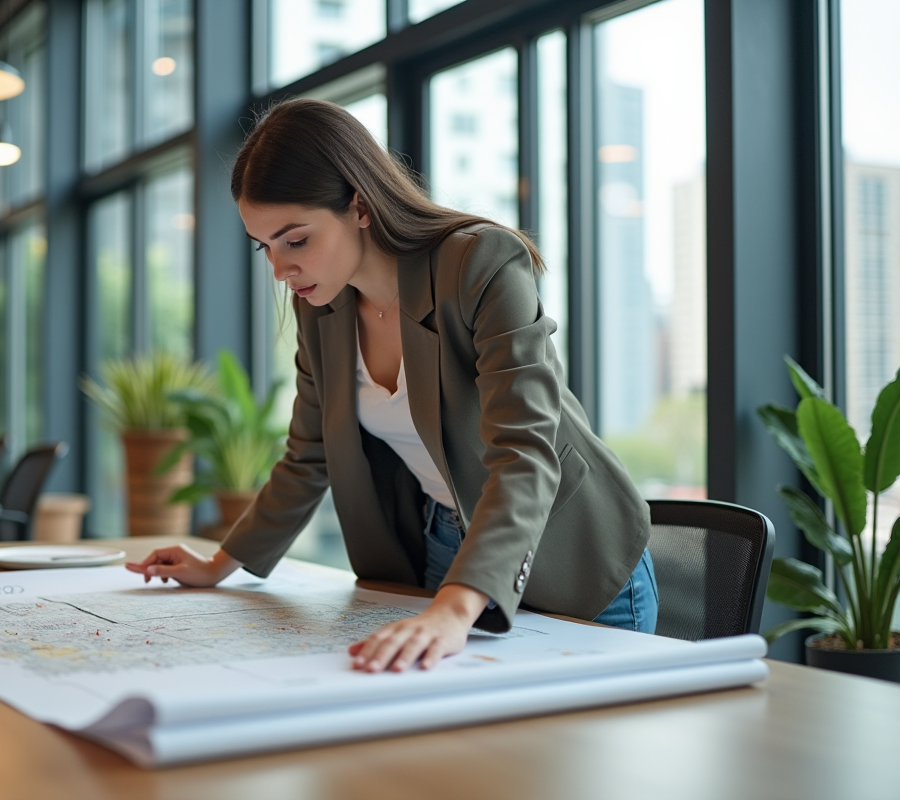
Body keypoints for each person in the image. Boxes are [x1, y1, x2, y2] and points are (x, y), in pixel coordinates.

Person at [128, 98, 656, 673]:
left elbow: (524, 449)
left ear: (359, 205)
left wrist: (454, 609)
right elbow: (309, 455)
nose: (280, 270)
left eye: (295, 240)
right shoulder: (321, 306)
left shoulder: (478, 263)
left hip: (570, 555)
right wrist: (220, 564)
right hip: (443, 548)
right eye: (265, 247)